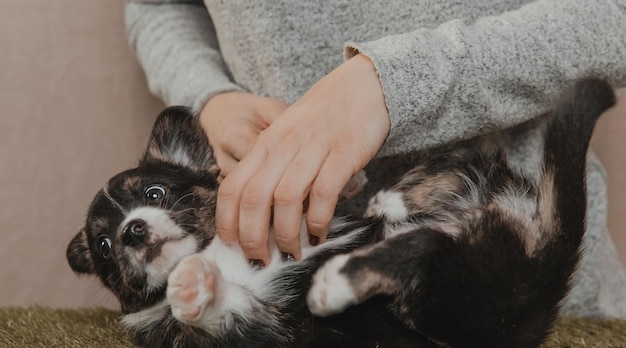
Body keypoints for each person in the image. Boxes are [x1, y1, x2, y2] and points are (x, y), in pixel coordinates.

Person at [124, 0, 626, 318]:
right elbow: (159, 6)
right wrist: (210, 96)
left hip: (528, 300)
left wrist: (393, 86)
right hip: (286, 313)